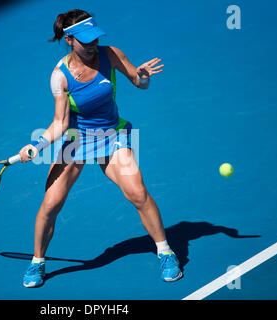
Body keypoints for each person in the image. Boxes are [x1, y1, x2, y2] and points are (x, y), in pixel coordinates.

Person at [18, 9, 182, 288]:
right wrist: (37, 145)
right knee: (50, 205)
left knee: (138, 193)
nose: (92, 44)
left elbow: (140, 83)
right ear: (69, 40)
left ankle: (165, 251)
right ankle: (37, 262)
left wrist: (143, 76)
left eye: (94, 37)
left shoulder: (111, 55)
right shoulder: (60, 76)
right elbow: (60, 122)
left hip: (111, 135)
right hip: (77, 139)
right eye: (84, 40)